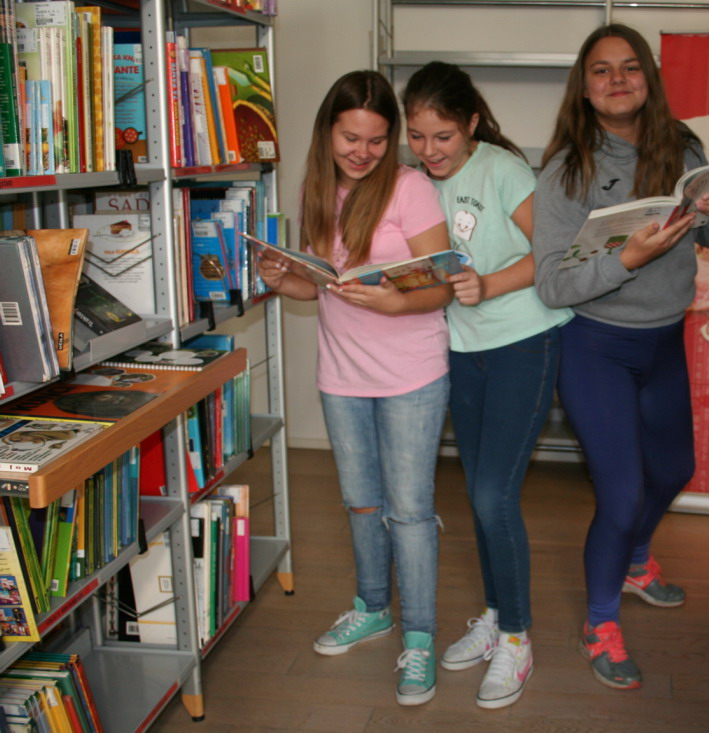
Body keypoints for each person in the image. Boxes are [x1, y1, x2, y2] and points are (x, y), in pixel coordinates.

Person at [532, 24, 709, 691]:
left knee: (675, 468)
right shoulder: (566, 171)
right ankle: (600, 623)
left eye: (630, 67)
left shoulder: (682, 146)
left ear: (649, 77)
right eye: (602, 70)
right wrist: (627, 259)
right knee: (620, 497)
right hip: (595, 345)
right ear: (584, 86)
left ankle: (635, 560)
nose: (617, 80)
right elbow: (552, 284)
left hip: (664, 339)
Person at [257, 69, 452, 707]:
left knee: (409, 511)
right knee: (361, 504)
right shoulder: (317, 186)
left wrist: (391, 301)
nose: (362, 152)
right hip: (341, 375)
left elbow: (441, 287)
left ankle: (419, 637)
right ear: (328, 133)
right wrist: (279, 278)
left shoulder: (410, 188)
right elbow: (319, 287)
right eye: (350, 138)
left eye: (376, 140)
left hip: (411, 375)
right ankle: (372, 607)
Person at [402, 61, 572, 709]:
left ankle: (518, 638)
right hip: (463, 349)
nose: (429, 149)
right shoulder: (417, 182)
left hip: (524, 341)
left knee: (493, 493)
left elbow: (553, 252)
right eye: (417, 136)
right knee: (480, 498)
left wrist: (488, 284)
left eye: (443, 135)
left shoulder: (504, 170)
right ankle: (497, 615)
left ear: (471, 123)